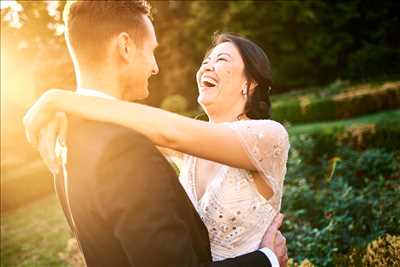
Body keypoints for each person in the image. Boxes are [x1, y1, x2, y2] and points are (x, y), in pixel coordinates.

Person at [24, 1, 288, 267]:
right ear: (125, 46)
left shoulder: (269, 136)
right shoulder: (176, 151)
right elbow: (142, 128)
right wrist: (267, 261)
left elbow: (168, 131)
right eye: (206, 61)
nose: (206, 67)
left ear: (251, 83)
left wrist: (59, 100)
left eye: (221, 59)